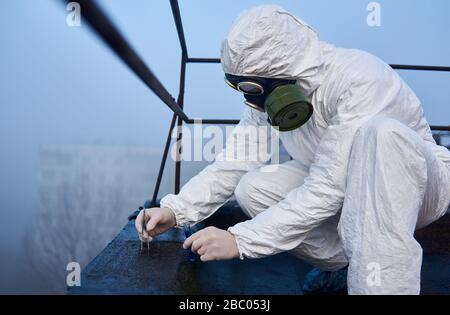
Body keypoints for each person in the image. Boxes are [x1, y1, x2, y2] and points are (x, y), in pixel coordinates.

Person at [135, 5, 450, 295]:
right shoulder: (272, 90)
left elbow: (327, 188)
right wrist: (177, 210)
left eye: (253, 89)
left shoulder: (360, 79)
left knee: (381, 134)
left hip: (417, 187)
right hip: (340, 185)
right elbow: (235, 161)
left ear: (287, 72)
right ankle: (344, 265)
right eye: (242, 88)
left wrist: (240, 240)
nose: (252, 102)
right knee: (252, 189)